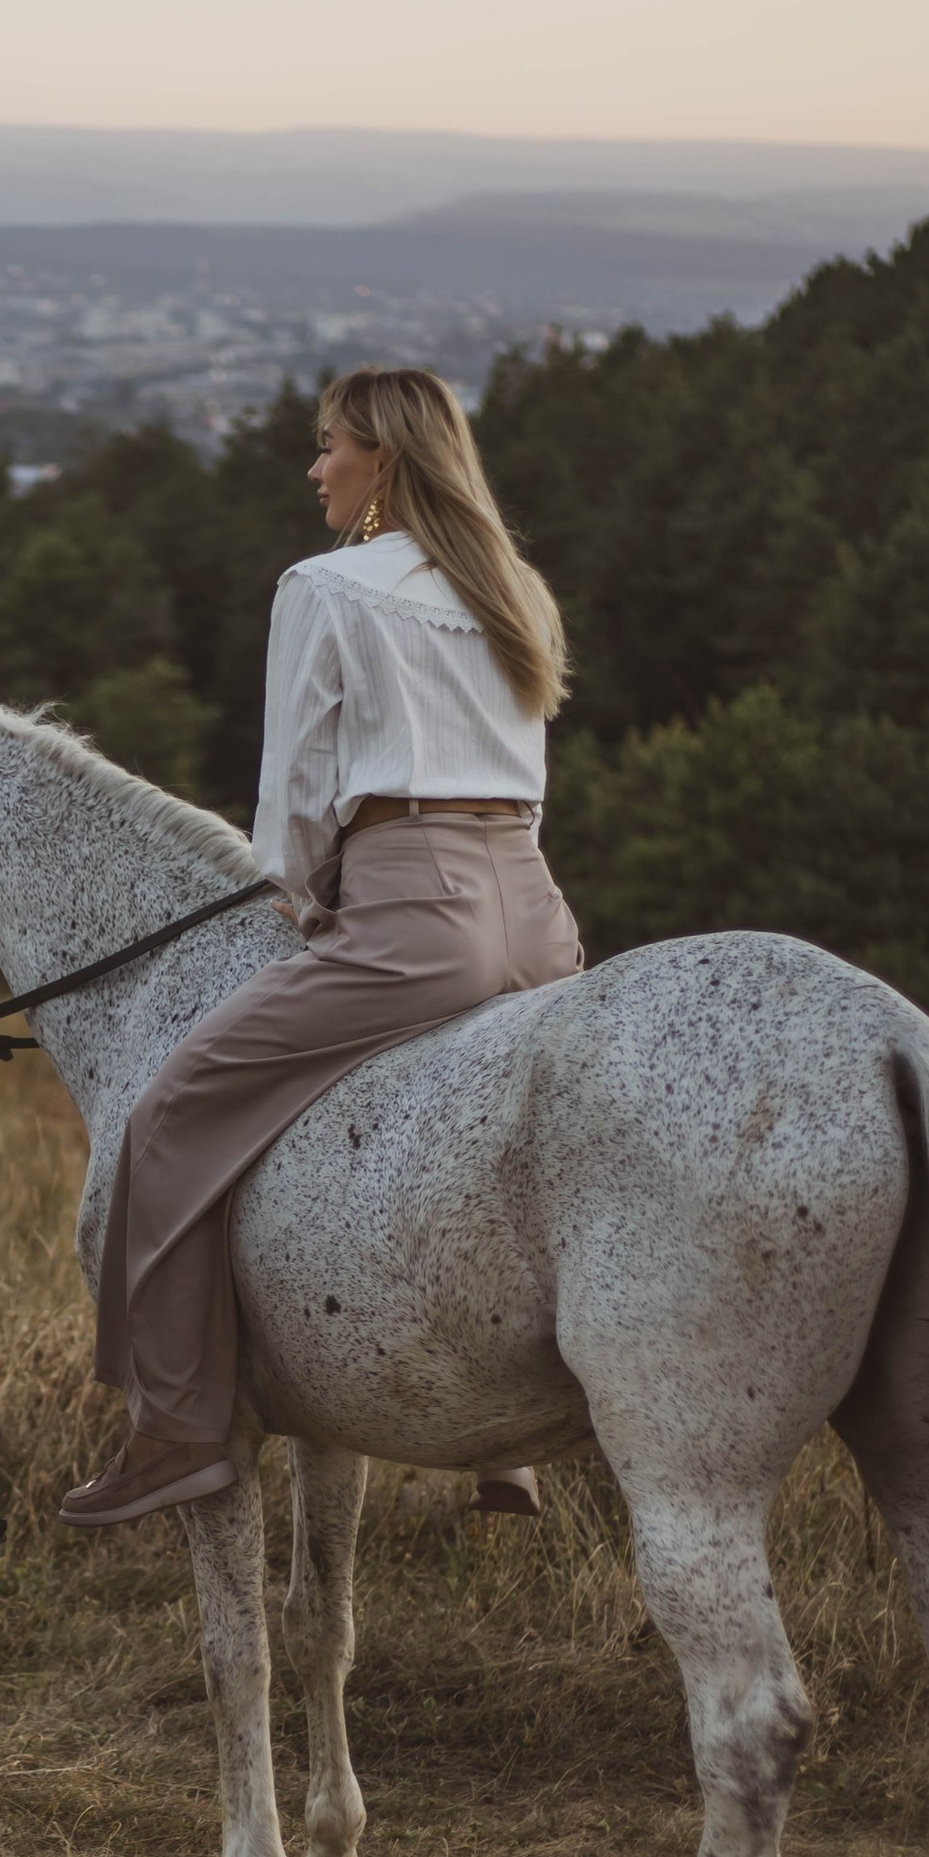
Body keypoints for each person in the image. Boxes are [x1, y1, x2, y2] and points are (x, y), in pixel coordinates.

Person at [60, 365, 582, 1530]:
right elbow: (530, 784)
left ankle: (175, 1428)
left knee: (171, 1115)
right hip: (537, 913)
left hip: (413, 906)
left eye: (329, 444)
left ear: (381, 460)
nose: (315, 469)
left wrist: (297, 902)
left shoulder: (326, 586)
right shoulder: (515, 590)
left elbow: (295, 786)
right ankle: (511, 1451)